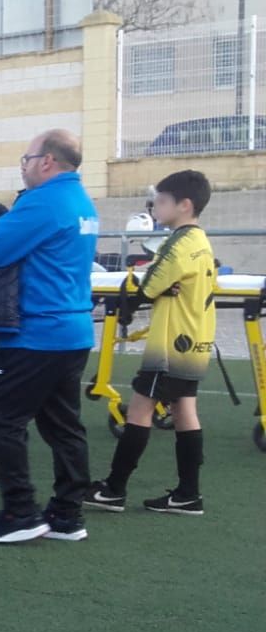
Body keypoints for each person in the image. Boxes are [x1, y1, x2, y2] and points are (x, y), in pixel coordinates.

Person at [0, 129, 98, 544]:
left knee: (0, 417)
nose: (22, 166)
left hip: (36, 332)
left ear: (47, 161)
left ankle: (21, 512)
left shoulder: (45, 201)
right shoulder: (82, 201)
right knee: (63, 425)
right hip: (72, 330)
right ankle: (66, 514)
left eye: (26, 158)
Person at [86, 170, 216, 516]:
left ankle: (113, 490)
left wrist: (136, 296)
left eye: (161, 201)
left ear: (184, 205)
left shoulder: (178, 241)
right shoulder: (201, 240)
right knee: (184, 410)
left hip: (172, 344)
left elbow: (149, 287)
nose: (155, 207)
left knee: (141, 408)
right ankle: (188, 494)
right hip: (196, 339)